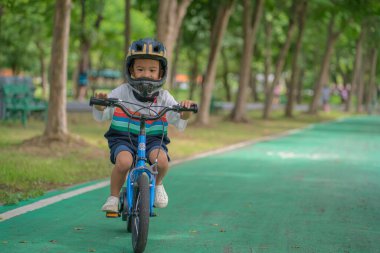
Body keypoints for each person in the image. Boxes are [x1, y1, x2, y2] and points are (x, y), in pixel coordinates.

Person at [92, 38, 196, 212]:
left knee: (161, 161)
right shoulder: (122, 92)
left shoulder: (164, 97)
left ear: (161, 72)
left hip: (153, 139)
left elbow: (179, 119)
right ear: (131, 70)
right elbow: (103, 113)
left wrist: (186, 110)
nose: (146, 74)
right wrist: (101, 104)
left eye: (152, 70)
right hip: (123, 137)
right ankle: (113, 197)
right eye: (140, 69)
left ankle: (159, 184)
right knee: (124, 162)